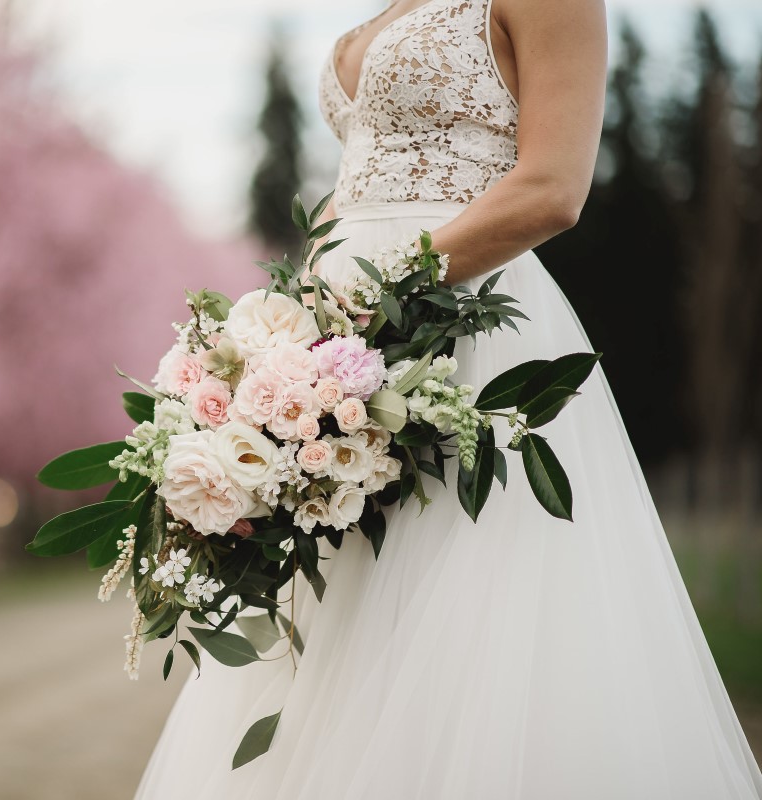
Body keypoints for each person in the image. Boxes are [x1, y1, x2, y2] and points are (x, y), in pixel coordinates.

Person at [133, 0, 762, 797]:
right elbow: (351, 201)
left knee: (472, 612)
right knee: (342, 619)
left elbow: (551, 189)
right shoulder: (376, 18)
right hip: (337, 354)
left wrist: (380, 293)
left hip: (463, 336)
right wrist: (275, 341)